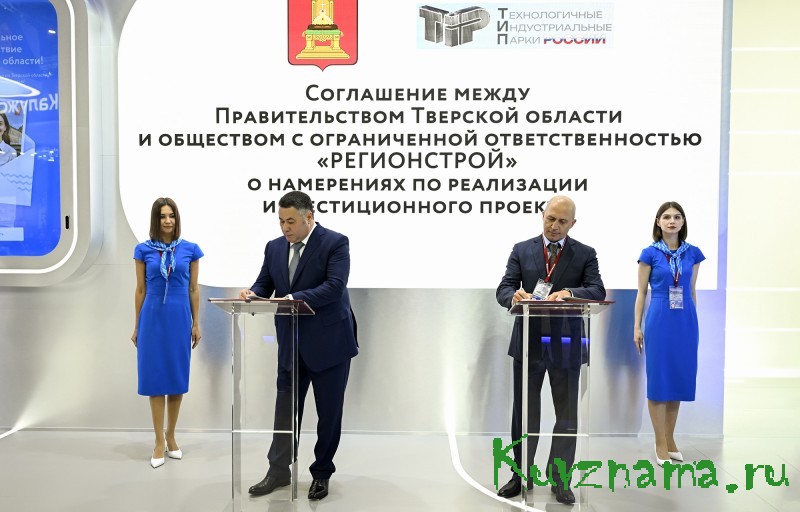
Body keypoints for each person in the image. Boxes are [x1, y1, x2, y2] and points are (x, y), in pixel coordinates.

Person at [240, 191, 358, 501]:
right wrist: (253, 293)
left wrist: (294, 299)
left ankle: (321, 473)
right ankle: (278, 470)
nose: (285, 227)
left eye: (291, 221)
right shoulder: (274, 247)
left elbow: (335, 287)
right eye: (281, 221)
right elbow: (265, 283)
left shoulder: (335, 243)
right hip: (290, 344)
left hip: (330, 344)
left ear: (309, 217)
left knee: (328, 413)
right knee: (285, 411)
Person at [495, 195, 605, 504]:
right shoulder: (522, 249)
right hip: (528, 344)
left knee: (567, 416)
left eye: (562, 221)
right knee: (524, 414)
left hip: (567, 345)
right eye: (550, 219)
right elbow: (503, 288)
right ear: (542, 216)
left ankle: (560, 478)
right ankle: (521, 474)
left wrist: (569, 292)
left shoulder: (585, 254)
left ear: (573, 223)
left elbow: (597, 290)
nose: (554, 226)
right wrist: (513, 296)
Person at [131, 197, 203, 469]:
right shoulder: (143, 250)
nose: (168, 220)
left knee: (175, 377)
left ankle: (171, 435)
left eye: (171, 215)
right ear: (155, 219)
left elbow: (193, 289)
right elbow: (140, 289)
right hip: (152, 318)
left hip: (179, 317)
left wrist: (196, 323)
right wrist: (137, 325)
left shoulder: (190, 249)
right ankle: (158, 441)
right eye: (162, 216)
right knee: (155, 379)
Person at [633, 201, 704, 467]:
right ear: (658, 222)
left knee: (678, 378)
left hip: (685, 318)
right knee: (660, 379)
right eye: (666, 217)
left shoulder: (693, 253)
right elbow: (642, 293)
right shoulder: (649, 253)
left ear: (683, 222)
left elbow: (692, 290)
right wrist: (637, 326)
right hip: (660, 316)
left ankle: (671, 438)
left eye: (677, 217)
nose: (671, 221)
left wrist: (693, 320)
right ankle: (659, 442)